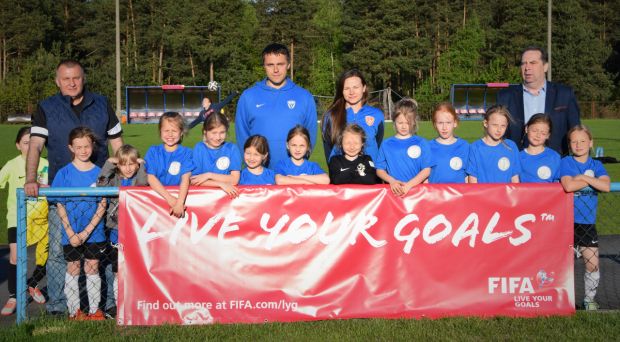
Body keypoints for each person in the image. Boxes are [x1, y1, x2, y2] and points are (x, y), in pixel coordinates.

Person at [25, 59, 123, 315]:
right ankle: (59, 306)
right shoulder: (46, 107)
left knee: (105, 251)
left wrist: (126, 179)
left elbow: (118, 145)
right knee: (59, 250)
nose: (71, 83)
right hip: (63, 192)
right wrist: (30, 178)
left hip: (102, 192)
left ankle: (107, 304)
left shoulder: (101, 103)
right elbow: (35, 145)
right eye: (66, 78)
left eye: (76, 78)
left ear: (84, 78)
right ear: (57, 81)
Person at [52, 127, 107, 320]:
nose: (83, 150)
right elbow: (60, 204)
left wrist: (87, 232)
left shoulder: (100, 173)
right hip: (71, 232)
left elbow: (103, 204)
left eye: (87, 146)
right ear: (71, 148)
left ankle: (95, 311)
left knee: (92, 267)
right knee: (73, 268)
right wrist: (70, 231)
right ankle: (74, 311)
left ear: (92, 146)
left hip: (95, 231)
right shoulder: (64, 173)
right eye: (78, 147)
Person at [235, 43, 317, 168]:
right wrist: (253, 166)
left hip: (292, 174)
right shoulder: (248, 96)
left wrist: (297, 165)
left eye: (280, 64)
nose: (275, 70)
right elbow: (242, 137)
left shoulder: (304, 97)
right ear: (264, 66)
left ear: (288, 65)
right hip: (259, 174)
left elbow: (310, 135)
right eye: (270, 65)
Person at [560, 125, 610, 311]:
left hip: (587, 223)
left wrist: (584, 178)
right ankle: (560, 298)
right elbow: (568, 185)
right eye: (574, 141)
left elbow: (605, 186)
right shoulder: (566, 162)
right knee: (562, 265)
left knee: (592, 263)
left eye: (582, 141)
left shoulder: (596, 165)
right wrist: (590, 180)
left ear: (591, 143)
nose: (578, 145)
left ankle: (589, 300)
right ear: (569, 144)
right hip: (566, 222)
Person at [496, 46, 580, 155]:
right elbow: (498, 134)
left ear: (545, 67)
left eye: (533, 63)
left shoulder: (564, 94)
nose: (527, 67)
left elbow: (576, 132)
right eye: (523, 63)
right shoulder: (505, 96)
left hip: (556, 165)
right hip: (517, 164)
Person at [1, 127, 49, 316]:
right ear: (18, 145)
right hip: (17, 217)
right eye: (25, 142)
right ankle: (14, 296)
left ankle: (32, 284)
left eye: (33, 142)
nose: (30, 146)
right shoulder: (12, 165)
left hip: (41, 219)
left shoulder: (46, 164)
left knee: (46, 256)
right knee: (15, 256)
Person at [96, 144, 148, 317]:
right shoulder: (114, 178)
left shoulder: (138, 177)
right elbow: (100, 184)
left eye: (132, 164)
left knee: (134, 267)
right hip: (116, 229)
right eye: (123, 164)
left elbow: (142, 184)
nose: (128, 168)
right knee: (117, 269)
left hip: (134, 229)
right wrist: (110, 164)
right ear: (118, 165)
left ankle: (135, 302)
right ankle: (118, 304)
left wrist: (142, 165)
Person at [322, 69, 384, 162]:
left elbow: (378, 143)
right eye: (347, 88)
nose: (351, 92)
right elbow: (328, 150)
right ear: (341, 91)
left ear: (363, 88)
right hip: (342, 175)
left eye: (355, 87)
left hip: (370, 174)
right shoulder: (331, 116)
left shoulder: (377, 115)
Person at [376, 98, 433, 196]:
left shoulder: (422, 142)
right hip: (393, 192)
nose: (404, 126)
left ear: (414, 122)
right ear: (394, 121)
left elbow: (426, 170)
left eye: (408, 123)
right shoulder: (386, 144)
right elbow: (380, 170)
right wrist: (392, 181)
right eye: (400, 123)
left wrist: (409, 186)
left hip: (416, 192)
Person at [145, 112, 194, 218]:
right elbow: (150, 177)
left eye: (174, 131)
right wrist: (170, 199)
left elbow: (186, 178)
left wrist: (179, 203)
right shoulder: (153, 152)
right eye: (166, 130)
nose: (170, 134)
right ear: (160, 131)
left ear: (181, 132)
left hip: (179, 204)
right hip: (155, 205)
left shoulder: (187, 153)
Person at [190, 112, 241, 198]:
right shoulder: (199, 148)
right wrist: (220, 184)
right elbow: (194, 180)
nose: (218, 137)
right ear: (205, 132)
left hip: (227, 200)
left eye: (222, 132)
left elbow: (234, 179)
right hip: (204, 199)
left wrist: (208, 175)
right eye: (214, 133)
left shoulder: (232, 149)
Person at [466, 105, 521, 183]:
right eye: (495, 125)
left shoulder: (511, 146)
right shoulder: (475, 147)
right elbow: (472, 179)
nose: (499, 130)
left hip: (505, 195)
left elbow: (515, 178)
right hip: (482, 195)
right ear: (485, 123)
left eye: (503, 126)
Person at [428, 103, 469, 183]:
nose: (444, 127)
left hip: (459, 194)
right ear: (435, 124)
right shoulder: (428, 147)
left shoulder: (464, 146)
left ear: (455, 123)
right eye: (440, 123)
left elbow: (467, 177)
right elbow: (425, 176)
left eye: (448, 122)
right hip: (436, 194)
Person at [519, 114, 561, 183]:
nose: (538, 135)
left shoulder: (554, 157)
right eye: (534, 131)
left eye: (543, 133)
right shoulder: (518, 157)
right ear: (526, 129)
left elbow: (558, 185)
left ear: (548, 135)